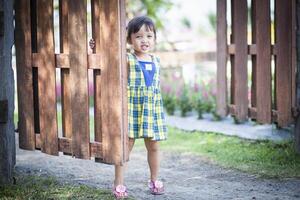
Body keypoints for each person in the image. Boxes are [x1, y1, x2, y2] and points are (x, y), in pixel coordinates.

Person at [90, 16, 167, 199]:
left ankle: (154, 179)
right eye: (139, 36)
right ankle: (119, 183)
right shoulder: (128, 59)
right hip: (132, 110)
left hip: (152, 111)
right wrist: (96, 47)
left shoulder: (156, 61)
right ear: (129, 40)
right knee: (125, 147)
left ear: (154, 38)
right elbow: (108, 59)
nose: (144, 40)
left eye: (149, 36)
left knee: (154, 147)